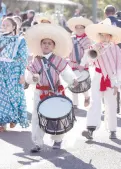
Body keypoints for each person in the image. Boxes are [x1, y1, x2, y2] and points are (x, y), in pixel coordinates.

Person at [25, 23, 78, 152]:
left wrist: (73, 80)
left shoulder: (58, 60)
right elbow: (29, 74)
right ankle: (37, 142)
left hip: (55, 91)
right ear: (40, 45)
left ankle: (58, 140)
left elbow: (66, 72)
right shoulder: (36, 60)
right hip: (40, 92)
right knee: (37, 117)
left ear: (54, 46)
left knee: (56, 116)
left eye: (49, 43)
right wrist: (32, 78)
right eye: (44, 43)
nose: (46, 45)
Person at [0, 17, 29, 132]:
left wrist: (22, 75)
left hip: (13, 69)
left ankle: (13, 118)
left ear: (14, 27)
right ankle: (1, 123)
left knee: (12, 95)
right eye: (3, 25)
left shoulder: (20, 40)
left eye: (7, 25)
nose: (4, 27)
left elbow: (23, 58)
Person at [81, 18, 121, 140]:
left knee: (111, 104)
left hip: (111, 78)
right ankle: (91, 129)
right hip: (98, 77)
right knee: (95, 102)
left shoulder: (116, 48)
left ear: (110, 36)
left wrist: (117, 83)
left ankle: (112, 129)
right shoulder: (94, 46)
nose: (104, 38)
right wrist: (92, 54)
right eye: (101, 35)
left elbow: (119, 66)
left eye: (106, 35)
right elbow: (85, 61)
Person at [67, 16, 93, 108]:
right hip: (73, 64)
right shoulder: (72, 38)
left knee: (83, 83)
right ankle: (75, 103)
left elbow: (87, 53)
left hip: (83, 65)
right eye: (77, 28)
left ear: (84, 29)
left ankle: (87, 97)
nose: (79, 30)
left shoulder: (87, 39)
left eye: (81, 28)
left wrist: (82, 65)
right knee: (73, 83)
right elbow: (69, 50)